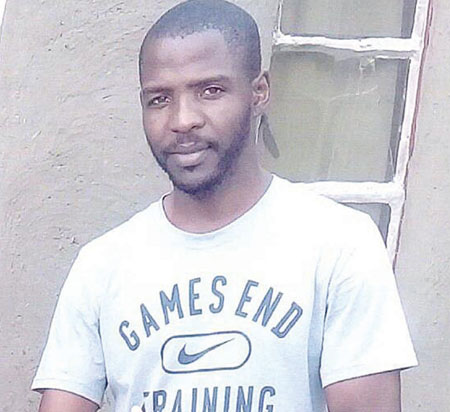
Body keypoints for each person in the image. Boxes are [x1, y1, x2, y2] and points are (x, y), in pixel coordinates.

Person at [32, 1, 417, 411]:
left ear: (259, 92)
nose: (183, 119)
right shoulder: (101, 266)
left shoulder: (338, 244)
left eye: (210, 91)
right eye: (159, 99)